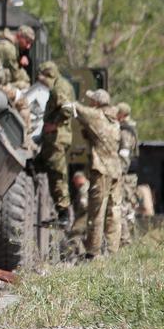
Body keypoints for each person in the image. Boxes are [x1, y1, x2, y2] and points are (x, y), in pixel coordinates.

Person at [71, 89, 121, 258]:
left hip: (102, 170)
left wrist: (69, 103)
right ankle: (112, 251)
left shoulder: (97, 116)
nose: (90, 102)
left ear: (97, 103)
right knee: (114, 212)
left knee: (96, 211)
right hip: (116, 170)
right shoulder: (113, 119)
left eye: (92, 100)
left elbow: (78, 109)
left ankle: (93, 252)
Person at [34, 61, 76, 228]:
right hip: (55, 138)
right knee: (49, 169)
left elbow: (67, 109)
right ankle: (61, 211)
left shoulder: (59, 88)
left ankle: (63, 213)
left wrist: (55, 123)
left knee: (57, 175)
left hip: (57, 137)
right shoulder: (62, 85)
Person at [114, 102, 139, 246]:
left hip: (126, 176)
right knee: (128, 209)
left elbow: (124, 154)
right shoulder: (129, 128)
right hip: (129, 176)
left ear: (122, 115)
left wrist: (119, 173)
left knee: (123, 208)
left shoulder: (125, 131)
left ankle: (125, 241)